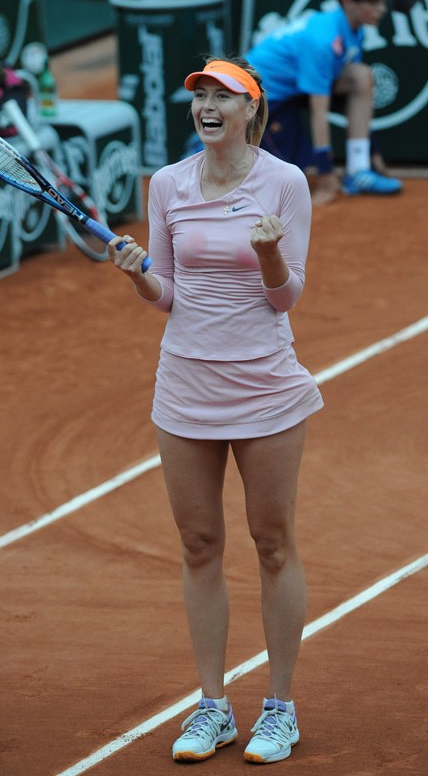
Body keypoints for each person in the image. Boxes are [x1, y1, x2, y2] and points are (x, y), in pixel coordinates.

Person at [108, 56, 323, 764]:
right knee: (199, 544)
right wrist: (140, 277)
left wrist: (268, 255)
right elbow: (168, 293)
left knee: (273, 542)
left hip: (265, 385)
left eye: (222, 96)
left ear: (250, 109)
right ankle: (212, 706)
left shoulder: (285, 183)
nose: (207, 104)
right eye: (199, 94)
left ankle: (280, 709)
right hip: (185, 386)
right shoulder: (167, 184)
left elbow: (285, 296)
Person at [245, 0, 403, 205]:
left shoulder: (354, 29)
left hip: (294, 87)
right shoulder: (323, 41)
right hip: (260, 97)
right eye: (373, 3)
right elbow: (319, 110)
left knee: (360, 76)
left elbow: (352, 95)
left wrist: (372, 153)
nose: (382, 9)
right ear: (348, 2)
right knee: (283, 182)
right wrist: (325, 173)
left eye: (381, 1)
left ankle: (358, 171)